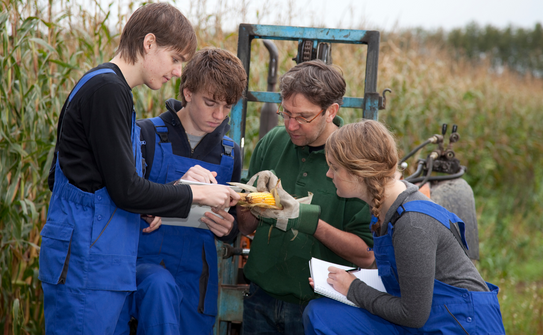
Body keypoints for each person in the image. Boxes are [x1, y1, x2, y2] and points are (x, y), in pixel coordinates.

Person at [38, 3, 239, 335]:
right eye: (175, 59)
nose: (177, 72)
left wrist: (146, 207)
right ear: (149, 43)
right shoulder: (108, 91)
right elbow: (126, 190)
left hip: (101, 263)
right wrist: (197, 192)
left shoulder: (110, 89)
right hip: (88, 265)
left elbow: (72, 178)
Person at [303, 120, 506, 334]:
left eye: (335, 167)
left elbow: (413, 315)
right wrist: (341, 282)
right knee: (321, 315)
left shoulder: (413, 224)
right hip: (430, 315)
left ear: (360, 172)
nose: (329, 174)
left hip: (459, 322)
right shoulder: (385, 206)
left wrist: (353, 288)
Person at [237, 60, 375, 335]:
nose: (290, 125)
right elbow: (245, 227)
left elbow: (367, 256)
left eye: (303, 117)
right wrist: (250, 200)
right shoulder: (271, 143)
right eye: (285, 113)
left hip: (320, 309)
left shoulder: (356, 162)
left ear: (331, 111)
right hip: (261, 298)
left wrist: (308, 222)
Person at [129, 47, 248, 334]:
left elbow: (232, 224)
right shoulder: (145, 136)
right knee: (158, 288)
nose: (219, 115)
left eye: (228, 106)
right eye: (210, 103)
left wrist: (229, 229)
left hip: (197, 282)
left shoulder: (230, 154)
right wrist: (170, 194)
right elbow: (123, 199)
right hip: (144, 271)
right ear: (188, 92)